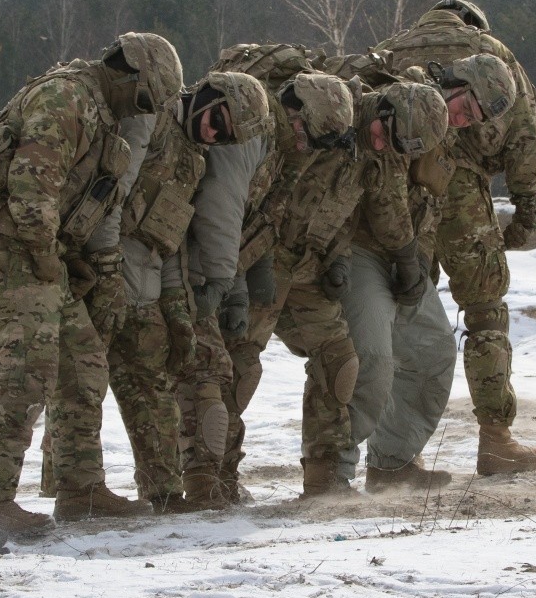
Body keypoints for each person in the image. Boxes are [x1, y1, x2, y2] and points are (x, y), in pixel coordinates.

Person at [0, 32, 183, 531]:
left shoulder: (103, 114)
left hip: (40, 246)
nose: (144, 113)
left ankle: (81, 490)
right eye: (146, 99)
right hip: (6, 238)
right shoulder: (67, 98)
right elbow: (31, 186)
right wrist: (45, 258)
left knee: (83, 363)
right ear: (128, 73)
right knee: (27, 367)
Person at [231, 79, 448, 497]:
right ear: (379, 109)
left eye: (394, 144)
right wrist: (242, 267)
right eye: (383, 133)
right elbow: (261, 195)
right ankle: (211, 477)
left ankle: (326, 476)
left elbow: (378, 207)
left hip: (311, 266)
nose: (382, 144)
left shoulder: (378, 150)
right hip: (261, 259)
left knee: (341, 365)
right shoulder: (323, 121)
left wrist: (350, 258)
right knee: (237, 366)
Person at [377, 0, 536, 474]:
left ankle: (395, 454)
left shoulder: (390, 50)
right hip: (462, 194)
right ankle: (496, 440)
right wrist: (525, 206)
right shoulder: (488, 51)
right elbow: (526, 129)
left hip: (404, 193)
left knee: (405, 317)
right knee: (485, 311)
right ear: (473, 23)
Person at [181, 47, 356, 505]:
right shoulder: (252, 135)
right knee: (217, 372)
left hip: (224, 266)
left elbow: (260, 219)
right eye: (305, 134)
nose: (306, 146)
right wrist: (224, 283)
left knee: (233, 369)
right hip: (188, 266)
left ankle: (234, 479)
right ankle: (203, 481)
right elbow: (221, 208)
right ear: (292, 110)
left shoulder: (283, 147)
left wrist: (246, 277)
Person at [335, 54, 518, 490]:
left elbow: (432, 200)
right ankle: (329, 473)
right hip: (360, 249)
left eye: (472, 118)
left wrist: (418, 262)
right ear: (456, 81)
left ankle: (392, 464)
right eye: (464, 108)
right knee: (372, 360)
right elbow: (384, 188)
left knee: (434, 351)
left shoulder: (450, 135)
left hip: (403, 256)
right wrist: (405, 257)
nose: (461, 120)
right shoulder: (407, 101)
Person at [93, 70, 273, 511]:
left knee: (153, 379)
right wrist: (104, 270)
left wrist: (176, 305)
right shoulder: (150, 120)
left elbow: (169, 238)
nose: (212, 134)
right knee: (79, 378)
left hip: (145, 276)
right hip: (100, 263)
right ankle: (77, 489)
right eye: (216, 121)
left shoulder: (192, 158)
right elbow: (111, 196)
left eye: (222, 136)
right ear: (208, 96)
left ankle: (164, 493)